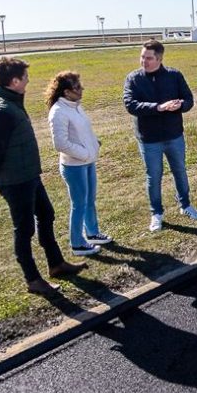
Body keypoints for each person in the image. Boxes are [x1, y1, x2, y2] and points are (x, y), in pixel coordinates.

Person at [0, 58, 86, 295]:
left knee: (46, 214)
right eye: (24, 77)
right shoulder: (2, 110)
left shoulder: (10, 101)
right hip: (15, 180)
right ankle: (32, 279)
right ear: (14, 81)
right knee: (24, 229)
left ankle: (56, 264)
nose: (28, 80)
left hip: (28, 173)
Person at [123, 39, 197, 231]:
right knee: (154, 176)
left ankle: (185, 205)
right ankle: (156, 213)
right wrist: (158, 107)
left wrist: (180, 105)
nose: (144, 61)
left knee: (180, 171)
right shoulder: (133, 78)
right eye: (142, 57)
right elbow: (130, 105)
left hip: (174, 136)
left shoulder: (174, 75)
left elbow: (189, 99)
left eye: (148, 58)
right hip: (149, 139)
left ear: (159, 59)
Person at [46, 71, 113, 256]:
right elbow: (60, 143)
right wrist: (84, 153)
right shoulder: (58, 111)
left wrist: (93, 143)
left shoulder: (75, 106)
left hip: (88, 161)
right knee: (79, 204)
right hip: (74, 166)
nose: (81, 90)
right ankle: (77, 244)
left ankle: (92, 233)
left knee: (89, 200)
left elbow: (83, 131)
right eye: (77, 88)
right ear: (66, 92)